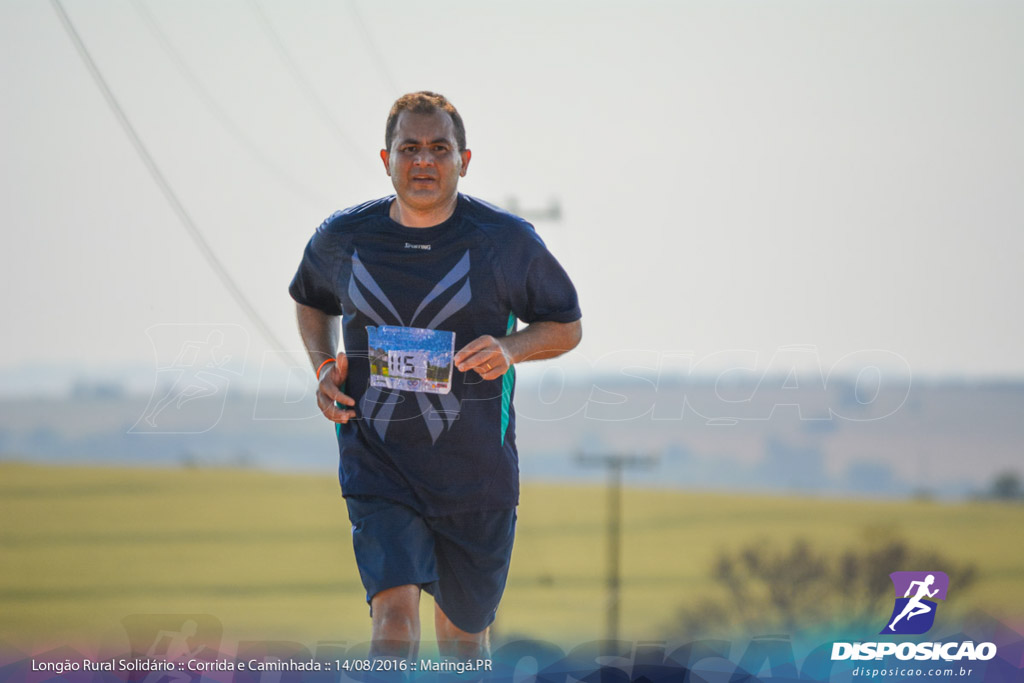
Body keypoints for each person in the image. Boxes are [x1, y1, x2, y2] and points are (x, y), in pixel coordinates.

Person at [289, 91, 582, 661]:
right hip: (379, 460)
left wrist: (510, 346)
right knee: (392, 622)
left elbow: (566, 326)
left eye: (440, 149)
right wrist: (324, 365)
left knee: (463, 645)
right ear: (386, 159)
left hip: (476, 474)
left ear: (464, 161)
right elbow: (309, 299)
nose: (424, 161)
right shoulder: (345, 238)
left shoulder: (504, 242)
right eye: (410, 148)